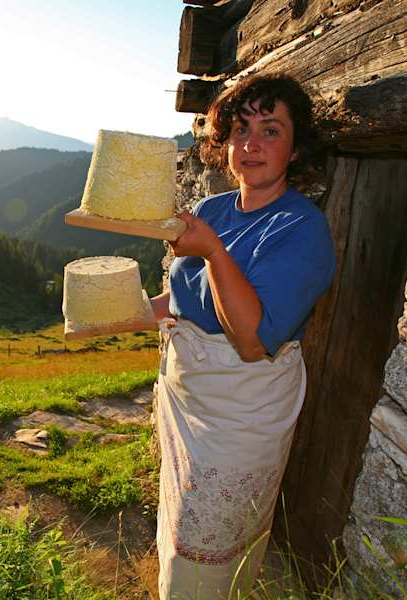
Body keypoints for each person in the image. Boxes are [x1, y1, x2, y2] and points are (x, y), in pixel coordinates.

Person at [149, 73, 336, 599]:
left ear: (296, 148)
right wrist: (124, 313)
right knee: (182, 525)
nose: (250, 144)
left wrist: (212, 252)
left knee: (211, 538)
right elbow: (188, 303)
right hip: (188, 398)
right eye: (239, 129)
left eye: (271, 130)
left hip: (241, 409)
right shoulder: (213, 211)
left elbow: (251, 339)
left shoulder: (301, 230)